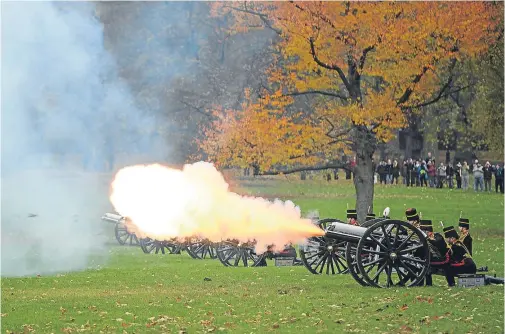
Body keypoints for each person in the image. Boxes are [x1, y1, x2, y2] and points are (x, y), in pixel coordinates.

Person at [419, 220, 449, 286]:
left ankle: (428, 284)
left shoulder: (438, 236)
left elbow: (437, 243)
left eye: (424, 231)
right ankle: (423, 283)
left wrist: (427, 238)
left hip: (442, 259)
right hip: (432, 258)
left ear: (428, 231)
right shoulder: (426, 239)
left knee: (426, 264)